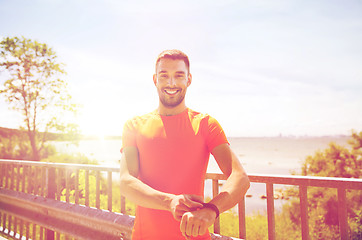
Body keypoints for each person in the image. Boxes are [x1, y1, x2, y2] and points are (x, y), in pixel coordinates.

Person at [120, 49, 250, 240]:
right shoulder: (133, 126)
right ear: (155, 79)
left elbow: (240, 177)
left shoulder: (206, 124)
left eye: (178, 75)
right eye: (164, 76)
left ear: (189, 80)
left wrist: (211, 210)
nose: (171, 83)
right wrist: (170, 202)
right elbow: (126, 182)